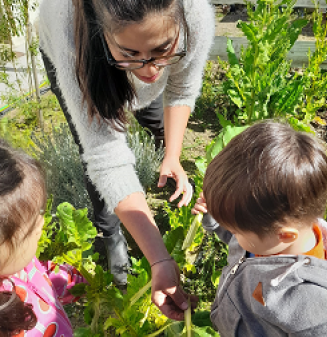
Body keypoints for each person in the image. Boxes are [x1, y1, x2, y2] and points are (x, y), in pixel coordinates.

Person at [38, 0, 214, 319]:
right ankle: (111, 233)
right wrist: (159, 259)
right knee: (90, 152)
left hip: (120, 52)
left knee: (155, 116)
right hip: (86, 58)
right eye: (131, 54)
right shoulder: (68, 27)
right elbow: (106, 155)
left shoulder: (195, 13)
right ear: (100, 30)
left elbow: (182, 87)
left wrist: (172, 154)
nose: (149, 71)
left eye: (164, 49)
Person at [192, 121, 327, 337]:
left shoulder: (311, 301)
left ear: (284, 236)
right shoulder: (268, 233)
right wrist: (215, 216)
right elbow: (238, 240)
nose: (233, 235)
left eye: (236, 229)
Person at [0, 139, 88, 337]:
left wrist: (74, 282)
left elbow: (38, 277)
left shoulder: (16, 264)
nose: (41, 224)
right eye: (32, 228)